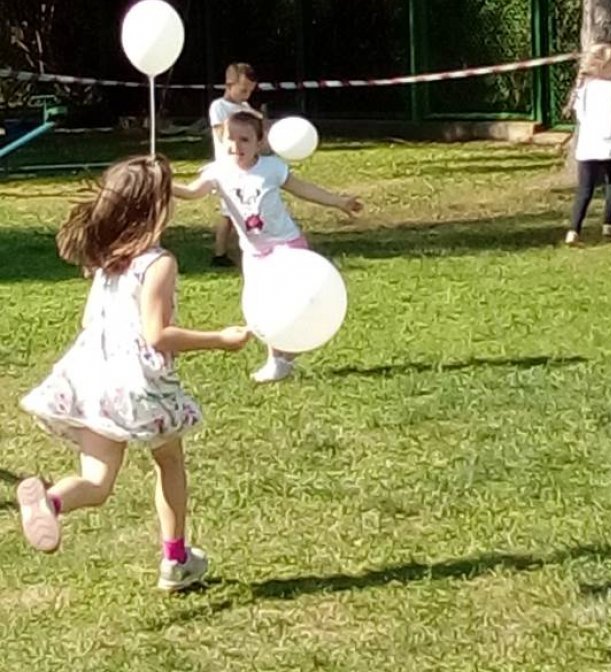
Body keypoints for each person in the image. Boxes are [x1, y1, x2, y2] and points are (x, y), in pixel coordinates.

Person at [17, 154, 250, 591]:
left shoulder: (107, 258)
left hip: (91, 376)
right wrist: (220, 338)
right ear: (157, 207)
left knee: (96, 482)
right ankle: (175, 560)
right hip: (138, 385)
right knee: (169, 461)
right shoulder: (158, 263)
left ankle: (50, 501)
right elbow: (157, 334)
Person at [173, 111, 363, 383]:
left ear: (259, 143)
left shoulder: (272, 168)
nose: (236, 146)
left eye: (245, 140)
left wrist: (339, 202)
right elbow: (192, 193)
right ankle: (278, 359)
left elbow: (303, 189)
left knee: (292, 300)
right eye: (230, 138)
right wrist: (164, 183)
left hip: (287, 246)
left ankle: (289, 349)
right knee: (264, 306)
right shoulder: (218, 171)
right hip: (255, 253)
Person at [564, 42, 611, 245]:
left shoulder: (582, 89)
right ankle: (608, 225)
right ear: (607, 66)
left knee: (584, 190)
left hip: (588, 147)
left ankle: (573, 231)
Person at [208, 62, 261, 268]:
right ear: (229, 85)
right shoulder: (219, 107)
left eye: (250, 91)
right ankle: (219, 254)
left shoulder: (246, 108)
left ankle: (248, 245)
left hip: (245, 167)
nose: (247, 95)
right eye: (243, 90)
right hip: (228, 167)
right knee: (228, 213)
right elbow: (222, 133)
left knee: (245, 207)